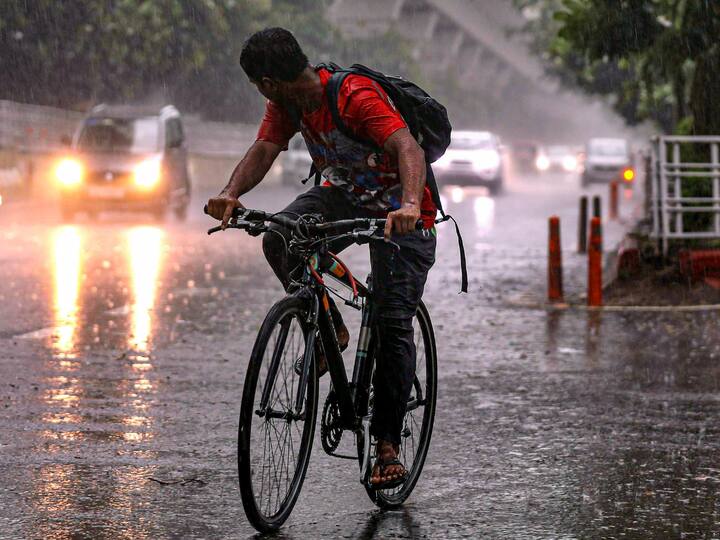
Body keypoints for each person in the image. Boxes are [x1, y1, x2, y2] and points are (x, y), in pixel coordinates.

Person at [206, 27, 436, 489]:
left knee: (393, 320)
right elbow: (266, 149)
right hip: (344, 196)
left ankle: (387, 444)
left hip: (402, 212)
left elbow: (407, 147)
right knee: (279, 237)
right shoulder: (286, 104)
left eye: (259, 86)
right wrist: (231, 193)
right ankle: (331, 325)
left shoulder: (353, 96)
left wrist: (410, 205)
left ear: (268, 82)